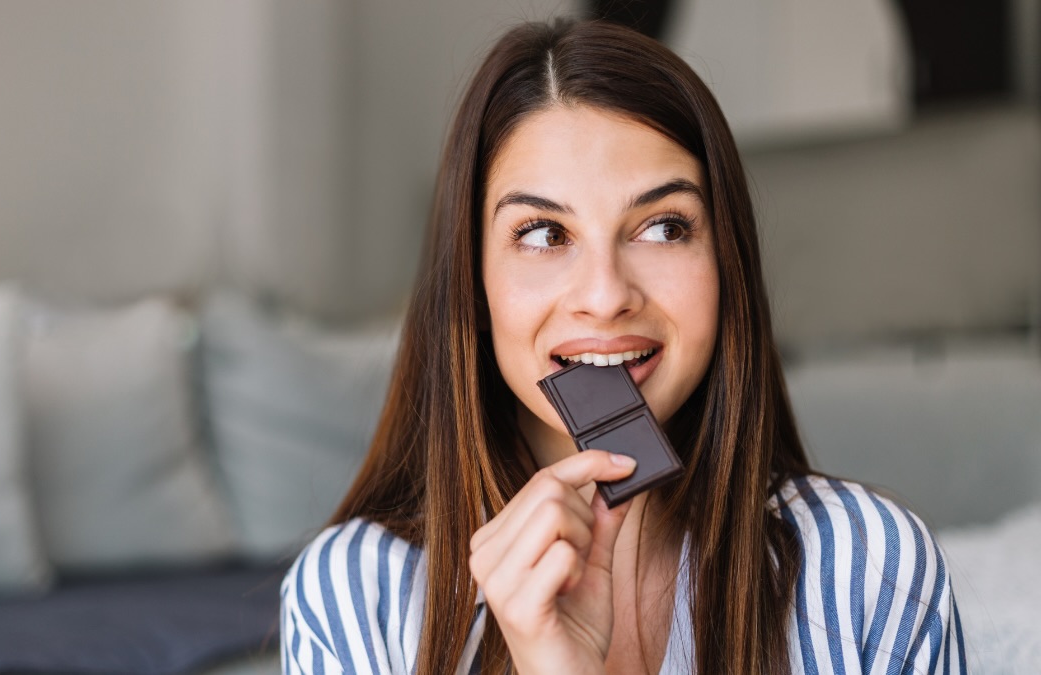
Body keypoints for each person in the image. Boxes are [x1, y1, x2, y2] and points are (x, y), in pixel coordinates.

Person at [280, 18, 966, 675]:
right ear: (472, 286)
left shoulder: (873, 568)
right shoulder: (354, 597)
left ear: (728, 264)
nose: (606, 295)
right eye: (545, 234)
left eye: (664, 227)